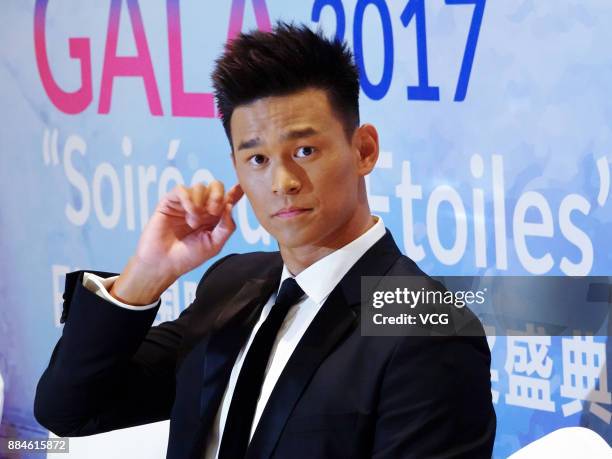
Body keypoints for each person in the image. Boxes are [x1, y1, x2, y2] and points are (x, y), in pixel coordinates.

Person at [34, 23, 495, 459]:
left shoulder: (424, 328)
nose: (282, 182)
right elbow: (71, 410)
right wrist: (145, 276)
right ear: (236, 168)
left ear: (364, 150)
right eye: (256, 158)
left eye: (305, 151)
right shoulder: (232, 285)